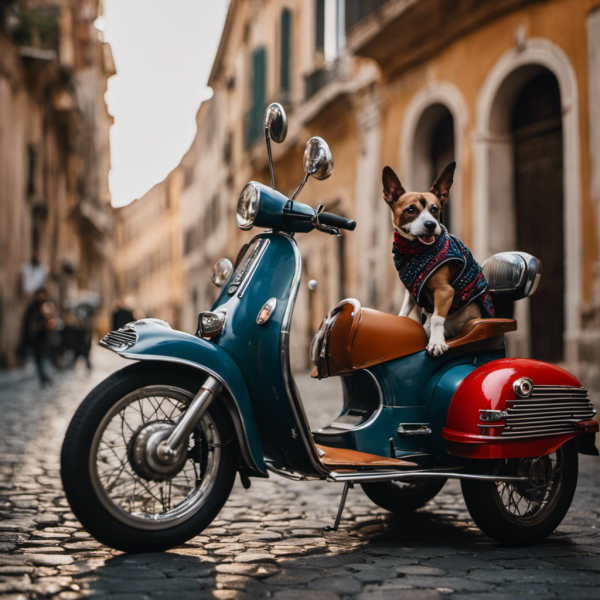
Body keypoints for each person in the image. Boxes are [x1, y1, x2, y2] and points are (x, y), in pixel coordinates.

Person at [21, 287, 53, 387]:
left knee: (44, 357)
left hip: (44, 336)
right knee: (38, 358)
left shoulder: (47, 306)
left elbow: (50, 319)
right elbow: (27, 322)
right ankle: (43, 378)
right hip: (35, 337)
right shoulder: (32, 307)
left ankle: (45, 377)